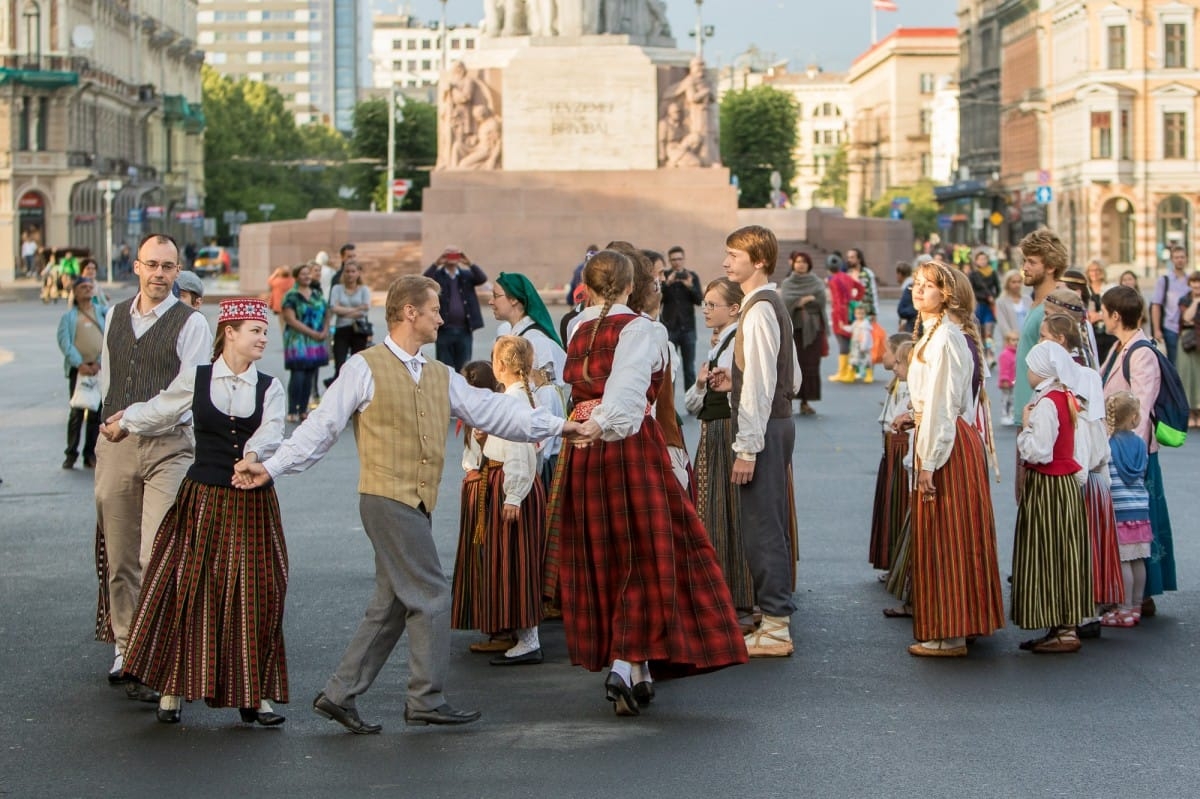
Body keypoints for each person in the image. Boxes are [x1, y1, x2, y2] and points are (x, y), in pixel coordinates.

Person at [233, 275, 578, 732]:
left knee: (392, 602)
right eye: (435, 309)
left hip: (414, 501)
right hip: (385, 497)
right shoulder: (363, 367)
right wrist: (273, 467)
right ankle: (425, 699)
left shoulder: (438, 374)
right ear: (410, 313)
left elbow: (495, 411)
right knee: (433, 594)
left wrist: (558, 427)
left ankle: (339, 693)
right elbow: (321, 429)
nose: (443, 316)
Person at [546, 249, 746, 717]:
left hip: (583, 452)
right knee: (647, 558)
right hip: (627, 445)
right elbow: (628, 394)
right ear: (629, 284)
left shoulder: (577, 327)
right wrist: (603, 424)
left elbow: (576, 390)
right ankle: (625, 661)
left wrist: (583, 426)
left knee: (608, 556)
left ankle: (635, 667)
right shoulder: (642, 329)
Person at [111, 299, 288, 726]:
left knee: (258, 591)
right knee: (189, 588)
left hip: (251, 502)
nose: (263, 338)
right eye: (255, 331)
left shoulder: (270, 387)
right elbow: (162, 408)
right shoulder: (198, 377)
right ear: (229, 332)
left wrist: (253, 454)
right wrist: (126, 420)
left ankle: (255, 695)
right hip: (203, 498)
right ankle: (172, 689)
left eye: (264, 332)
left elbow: (273, 430)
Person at [93, 233, 212, 695]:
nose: (160, 274)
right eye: (152, 265)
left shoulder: (191, 323)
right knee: (120, 555)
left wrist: (135, 417)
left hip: (168, 446)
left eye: (168, 267)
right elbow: (111, 372)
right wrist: (111, 418)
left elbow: (188, 389)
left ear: (177, 270)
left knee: (156, 553)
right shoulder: (115, 314)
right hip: (117, 445)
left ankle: (156, 647)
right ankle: (125, 645)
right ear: (137, 267)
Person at [896, 260, 1004, 657]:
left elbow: (944, 404)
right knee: (949, 534)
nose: (919, 290)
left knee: (947, 535)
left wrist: (929, 461)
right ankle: (959, 623)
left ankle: (951, 632)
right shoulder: (938, 334)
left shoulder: (945, 338)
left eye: (929, 286)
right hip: (946, 437)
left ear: (947, 294)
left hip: (949, 444)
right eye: (916, 284)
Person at [710, 225, 802, 658]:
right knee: (768, 523)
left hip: (764, 429)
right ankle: (772, 619)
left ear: (758, 260)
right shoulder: (767, 303)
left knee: (763, 527)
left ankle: (778, 627)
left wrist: (747, 447)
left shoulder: (760, 309)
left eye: (734, 255)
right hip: (775, 423)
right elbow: (791, 377)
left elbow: (764, 383)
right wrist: (737, 379)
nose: (727, 263)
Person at [1099, 285, 1175, 616]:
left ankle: (1141, 596)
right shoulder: (1120, 347)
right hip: (1121, 449)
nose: (1101, 316)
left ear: (1116, 315)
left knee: (1140, 528)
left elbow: (1141, 411)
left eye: (1104, 311)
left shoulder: (1141, 352)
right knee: (1134, 529)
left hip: (1133, 455)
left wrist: (1132, 461)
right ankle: (1131, 595)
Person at [684, 277, 754, 630]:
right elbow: (693, 402)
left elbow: (745, 395)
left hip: (728, 432)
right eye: (705, 304)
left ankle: (739, 600)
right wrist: (700, 384)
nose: (706, 310)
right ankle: (723, 596)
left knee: (728, 514)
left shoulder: (736, 343)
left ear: (733, 308)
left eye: (713, 305)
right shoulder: (719, 344)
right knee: (713, 511)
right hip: (713, 431)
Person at [1012, 341, 1091, 654]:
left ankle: (1064, 629)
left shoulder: (1046, 403)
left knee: (1048, 553)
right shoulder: (1064, 397)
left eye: (1031, 367)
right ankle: (1062, 624)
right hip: (1064, 486)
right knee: (1063, 554)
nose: (1028, 373)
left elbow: (1038, 450)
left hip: (1049, 486)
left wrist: (1025, 426)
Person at [477, 336, 547, 666]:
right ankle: (521, 632)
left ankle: (529, 637)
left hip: (511, 486)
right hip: (509, 483)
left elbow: (520, 447)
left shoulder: (514, 402)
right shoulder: (518, 397)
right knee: (514, 559)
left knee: (517, 561)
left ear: (501, 366)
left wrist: (514, 495)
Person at [450, 362, 510, 652]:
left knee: (488, 558)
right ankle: (491, 624)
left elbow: (489, 456)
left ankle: (500, 628)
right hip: (477, 483)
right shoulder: (475, 413)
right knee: (480, 558)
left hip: (484, 485)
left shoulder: (486, 415)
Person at [1103, 391, 1152, 627]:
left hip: (1120, 512)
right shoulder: (1141, 444)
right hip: (1140, 510)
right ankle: (1136, 605)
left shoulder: (1109, 445)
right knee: (1138, 559)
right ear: (1133, 417)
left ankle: (1123, 609)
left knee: (1123, 562)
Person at [1013, 230, 1069, 425]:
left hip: (1040, 414)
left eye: (1032, 262)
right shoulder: (1035, 302)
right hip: (1027, 410)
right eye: (1024, 262)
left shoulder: (1052, 306)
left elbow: (1059, 366)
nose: (1025, 268)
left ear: (1051, 267)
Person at [869, 334, 912, 575]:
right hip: (891, 444)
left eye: (889, 353)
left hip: (899, 444)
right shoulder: (898, 383)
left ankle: (897, 563)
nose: (886, 358)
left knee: (896, 505)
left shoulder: (906, 386)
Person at [57, 277, 105, 469]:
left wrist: (99, 363)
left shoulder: (102, 313)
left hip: (98, 370)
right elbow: (65, 343)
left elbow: (110, 338)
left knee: (96, 413)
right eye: (82, 287)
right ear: (75, 292)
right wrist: (79, 364)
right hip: (79, 371)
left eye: (89, 287)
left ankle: (89, 455)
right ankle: (71, 454)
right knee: (76, 413)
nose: (86, 290)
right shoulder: (69, 317)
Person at [280, 262, 330, 422]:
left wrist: (325, 330)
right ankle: (292, 409)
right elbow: (290, 319)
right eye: (303, 274)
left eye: (308, 274)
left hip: (315, 340)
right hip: (297, 340)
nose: (307, 276)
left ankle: (303, 409)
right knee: (298, 373)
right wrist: (313, 333)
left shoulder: (316, 294)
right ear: (296, 277)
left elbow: (327, 312)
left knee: (310, 373)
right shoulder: (291, 296)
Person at [424, 246, 487, 372]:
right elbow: (424, 280)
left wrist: (469, 263)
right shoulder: (437, 276)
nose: (452, 257)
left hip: (465, 330)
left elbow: (482, 278)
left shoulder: (466, 275)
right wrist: (436, 263)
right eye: (449, 255)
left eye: (455, 255)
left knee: (464, 368)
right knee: (444, 368)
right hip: (443, 330)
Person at [780, 251, 827, 415]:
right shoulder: (787, 282)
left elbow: (820, 302)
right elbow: (785, 302)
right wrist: (803, 301)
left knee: (810, 366)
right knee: (791, 366)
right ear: (793, 263)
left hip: (812, 331)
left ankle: (806, 402)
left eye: (804, 262)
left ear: (809, 264)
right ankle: (787, 400)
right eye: (798, 261)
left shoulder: (816, 282)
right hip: (794, 331)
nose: (801, 264)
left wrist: (802, 302)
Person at [660, 245, 703, 391]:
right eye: (673, 260)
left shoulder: (692, 276)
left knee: (689, 368)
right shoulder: (664, 276)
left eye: (679, 259)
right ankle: (670, 406)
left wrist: (690, 286)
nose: (677, 262)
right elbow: (658, 299)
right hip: (669, 329)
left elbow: (699, 300)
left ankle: (690, 402)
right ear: (669, 261)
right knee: (669, 369)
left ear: (683, 259)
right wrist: (667, 284)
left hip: (688, 329)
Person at [326, 260, 373, 385]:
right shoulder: (337, 288)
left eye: (353, 271)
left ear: (358, 273)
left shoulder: (364, 290)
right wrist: (356, 309)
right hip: (342, 329)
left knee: (357, 364)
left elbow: (364, 310)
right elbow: (334, 308)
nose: (350, 274)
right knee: (340, 363)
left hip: (359, 330)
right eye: (347, 271)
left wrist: (344, 310)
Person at [1150, 245, 1191, 365]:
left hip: (1188, 328)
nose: (1180, 260)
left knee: (1188, 363)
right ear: (1172, 260)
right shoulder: (1164, 280)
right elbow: (1156, 305)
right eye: (1176, 257)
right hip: (1171, 328)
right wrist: (1157, 329)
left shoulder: (1191, 280)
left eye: (1182, 257)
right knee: (1174, 362)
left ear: (1186, 259)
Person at [827, 256, 865, 382]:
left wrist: (838, 318)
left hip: (840, 313)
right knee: (851, 341)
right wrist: (856, 300)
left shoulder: (833, 280)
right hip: (850, 310)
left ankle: (844, 371)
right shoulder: (847, 277)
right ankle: (850, 371)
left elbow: (837, 301)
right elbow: (860, 288)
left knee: (842, 342)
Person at [1175, 271, 1200, 428]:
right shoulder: (1184, 299)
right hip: (1186, 339)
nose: (1197, 285)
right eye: (1194, 282)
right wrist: (1196, 301)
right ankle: (1191, 413)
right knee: (1187, 375)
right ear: (1189, 284)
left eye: (1199, 282)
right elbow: (1187, 318)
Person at [968, 249, 1000, 360]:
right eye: (980, 259)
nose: (983, 261)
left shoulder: (992, 272)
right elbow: (971, 290)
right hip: (978, 306)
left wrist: (993, 297)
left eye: (985, 259)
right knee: (979, 333)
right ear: (976, 261)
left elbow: (998, 288)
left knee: (989, 332)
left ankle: (990, 353)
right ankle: (981, 355)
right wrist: (985, 296)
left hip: (989, 306)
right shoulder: (972, 274)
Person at [1085, 259, 1117, 362]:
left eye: (1098, 270)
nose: (1095, 273)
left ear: (1103, 271)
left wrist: (1099, 316)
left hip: (1109, 333)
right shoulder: (1085, 290)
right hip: (1091, 334)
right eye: (1091, 270)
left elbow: (1115, 309)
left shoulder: (1111, 288)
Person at [998, 329, 1020, 425]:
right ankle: (1004, 415)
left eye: (1017, 340)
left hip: (1014, 381)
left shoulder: (1016, 353)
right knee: (1006, 399)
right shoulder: (1005, 354)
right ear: (1007, 341)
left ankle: (1011, 414)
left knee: (1012, 399)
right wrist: (1005, 379)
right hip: (1007, 382)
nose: (1015, 342)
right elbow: (1004, 369)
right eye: (1013, 340)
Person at [848, 303, 874, 383]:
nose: (860, 315)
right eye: (858, 313)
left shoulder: (865, 325)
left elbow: (866, 337)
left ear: (865, 314)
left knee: (867, 361)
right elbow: (851, 329)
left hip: (863, 346)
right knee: (854, 360)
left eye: (862, 313)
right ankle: (851, 375)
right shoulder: (855, 323)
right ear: (855, 314)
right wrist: (843, 327)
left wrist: (863, 346)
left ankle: (869, 375)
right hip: (856, 346)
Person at [896, 261, 917, 333]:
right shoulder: (909, 283)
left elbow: (907, 305)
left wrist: (903, 322)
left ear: (900, 274)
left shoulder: (907, 286)